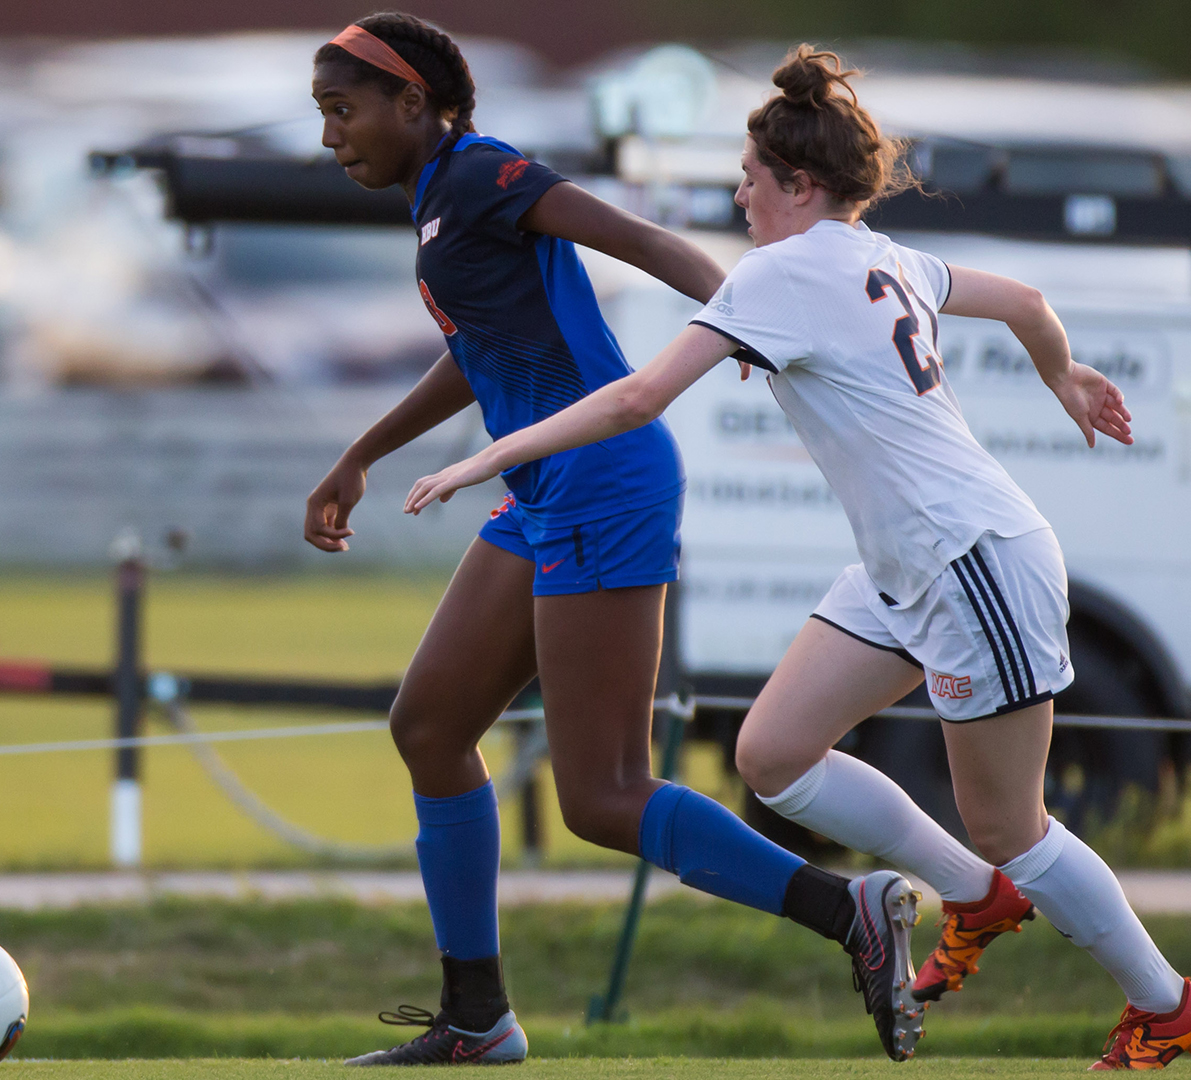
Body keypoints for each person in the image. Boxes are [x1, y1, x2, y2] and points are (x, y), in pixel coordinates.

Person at [405, 45, 1191, 1072]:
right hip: (905, 567)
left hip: (973, 559)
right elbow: (1024, 302)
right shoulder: (880, 256)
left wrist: (487, 457)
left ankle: (1164, 1003)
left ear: (800, 184)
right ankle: (975, 895)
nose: (738, 192)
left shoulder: (785, 270)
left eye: (750, 176)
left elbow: (634, 399)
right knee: (773, 755)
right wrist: (1065, 379)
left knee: (1011, 821)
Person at [307, 14, 928, 1067]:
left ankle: (850, 912)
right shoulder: (435, 206)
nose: (331, 137)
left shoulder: (484, 172)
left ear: (414, 106)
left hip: (604, 482)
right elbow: (482, 353)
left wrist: (748, 325)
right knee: (430, 725)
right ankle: (474, 1021)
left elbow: (636, 240)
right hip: (547, 486)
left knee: (601, 796)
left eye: (343, 110)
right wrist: (360, 452)